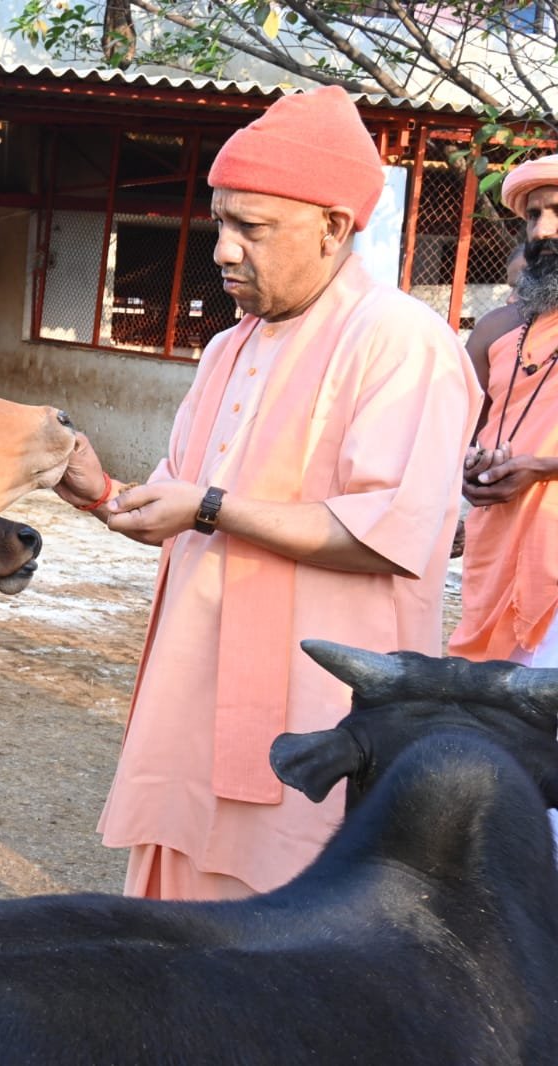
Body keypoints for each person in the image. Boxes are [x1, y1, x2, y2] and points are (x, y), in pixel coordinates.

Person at [53, 86, 480, 901]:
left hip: (317, 710)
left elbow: (391, 533)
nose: (223, 250)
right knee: (180, 941)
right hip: (197, 691)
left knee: (292, 941)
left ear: (333, 227)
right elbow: (177, 512)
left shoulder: (398, 339)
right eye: (221, 222)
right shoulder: (225, 348)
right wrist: (100, 488)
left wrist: (208, 507)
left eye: (252, 227)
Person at [450, 153, 558, 666]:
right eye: (535, 216)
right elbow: (457, 432)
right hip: (495, 546)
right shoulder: (497, 328)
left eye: (557, 212)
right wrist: (469, 471)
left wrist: (540, 468)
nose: (543, 231)